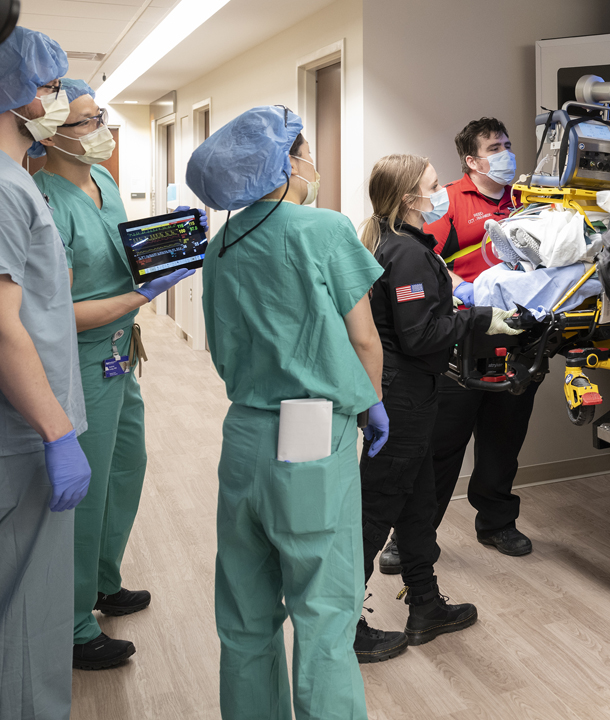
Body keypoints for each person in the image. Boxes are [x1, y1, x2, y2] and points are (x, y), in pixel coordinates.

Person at [186, 105, 403, 720]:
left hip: (244, 434)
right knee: (324, 613)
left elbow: (223, 347)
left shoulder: (220, 244)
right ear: (287, 161)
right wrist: (373, 403)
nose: (311, 162)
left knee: (246, 615)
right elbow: (365, 339)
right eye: (304, 151)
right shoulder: (325, 229)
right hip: (311, 434)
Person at [32, 78, 195, 671]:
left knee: (128, 469)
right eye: (84, 122)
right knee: (90, 489)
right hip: (81, 360)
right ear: (51, 134)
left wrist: (165, 243)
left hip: (121, 353)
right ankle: (75, 625)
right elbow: (57, 314)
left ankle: (104, 581)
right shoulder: (44, 202)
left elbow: (118, 252)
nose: (99, 130)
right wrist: (138, 296)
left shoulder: (101, 180)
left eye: (99, 116)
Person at [0, 28, 91, 720]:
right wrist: (57, 432)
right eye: (46, 84)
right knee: (23, 636)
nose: (55, 98)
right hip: (12, 444)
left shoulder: (0, 178)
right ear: (11, 94)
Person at [356, 154, 520, 647]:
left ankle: (425, 606)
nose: (440, 193)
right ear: (409, 199)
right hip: (400, 400)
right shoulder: (404, 253)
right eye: (432, 186)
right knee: (373, 513)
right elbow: (420, 335)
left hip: (413, 396)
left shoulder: (399, 244)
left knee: (417, 503)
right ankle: (345, 626)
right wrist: (476, 318)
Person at [378, 118, 531, 577]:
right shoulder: (449, 201)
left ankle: (497, 522)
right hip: (462, 338)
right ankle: (411, 537)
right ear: (472, 159)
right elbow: (428, 264)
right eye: (494, 147)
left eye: (507, 144)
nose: (505, 152)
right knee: (443, 444)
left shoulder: (524, 201)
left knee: (505, 437)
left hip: (516, 332)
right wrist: (467, 296)